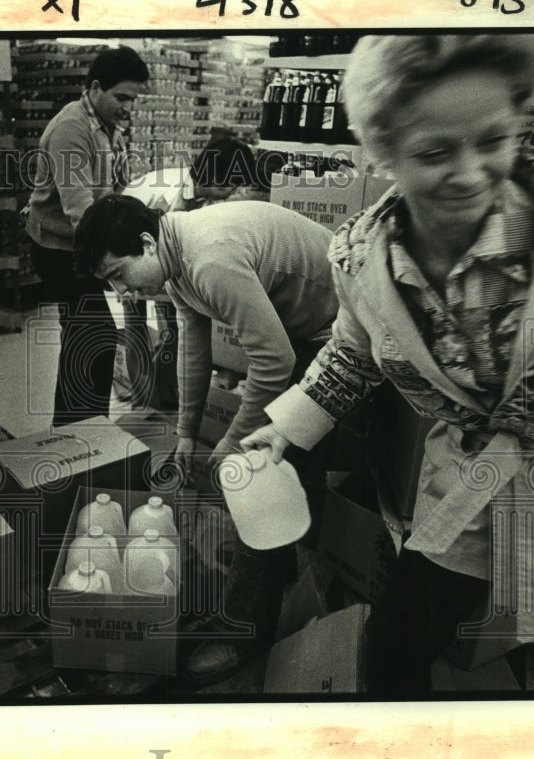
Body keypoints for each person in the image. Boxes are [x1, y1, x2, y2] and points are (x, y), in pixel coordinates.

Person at [240, 33, 534, 694]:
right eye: (435, 152)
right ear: (384, 152)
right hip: (471, 481)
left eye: (493, 141)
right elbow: (354, 351)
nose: (470, 172)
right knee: (393, 647)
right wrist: (286, 428)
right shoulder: (361, 258)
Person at [75, 194, 339, 684]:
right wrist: (185, 434)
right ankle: (282, 578)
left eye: (118, 275)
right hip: (300, 333)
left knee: (257, 475)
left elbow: (274, 362)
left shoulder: (209, 258)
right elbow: (193, 349)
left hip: (336, 336)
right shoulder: (175, 264)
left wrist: (232, 444)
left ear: (147, 244)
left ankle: (243, 631)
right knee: (274, 472)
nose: (121, 292)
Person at [24, 46, 149, 427]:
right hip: (60, 248)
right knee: (92, 335)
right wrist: (117, 267)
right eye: (122, 97)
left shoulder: (107, 126)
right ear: (95, 88)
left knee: (91, 336)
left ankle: (85, 430)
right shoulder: (70, 130)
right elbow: (82, 214)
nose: (128, 106)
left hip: (82, 241)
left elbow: (113, 192)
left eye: (134, 99)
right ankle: (75, 435)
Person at [122, 137, 276, 409]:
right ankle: (144, 396)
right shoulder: (169, 199)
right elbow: (149, 249)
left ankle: (163, 393)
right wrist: (133, 284)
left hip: (157, 251)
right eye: (233, 184)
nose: (234, 192)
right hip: (127, 250)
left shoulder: (201, 195)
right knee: (136, 319)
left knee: (171, 327)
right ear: (217, 178)